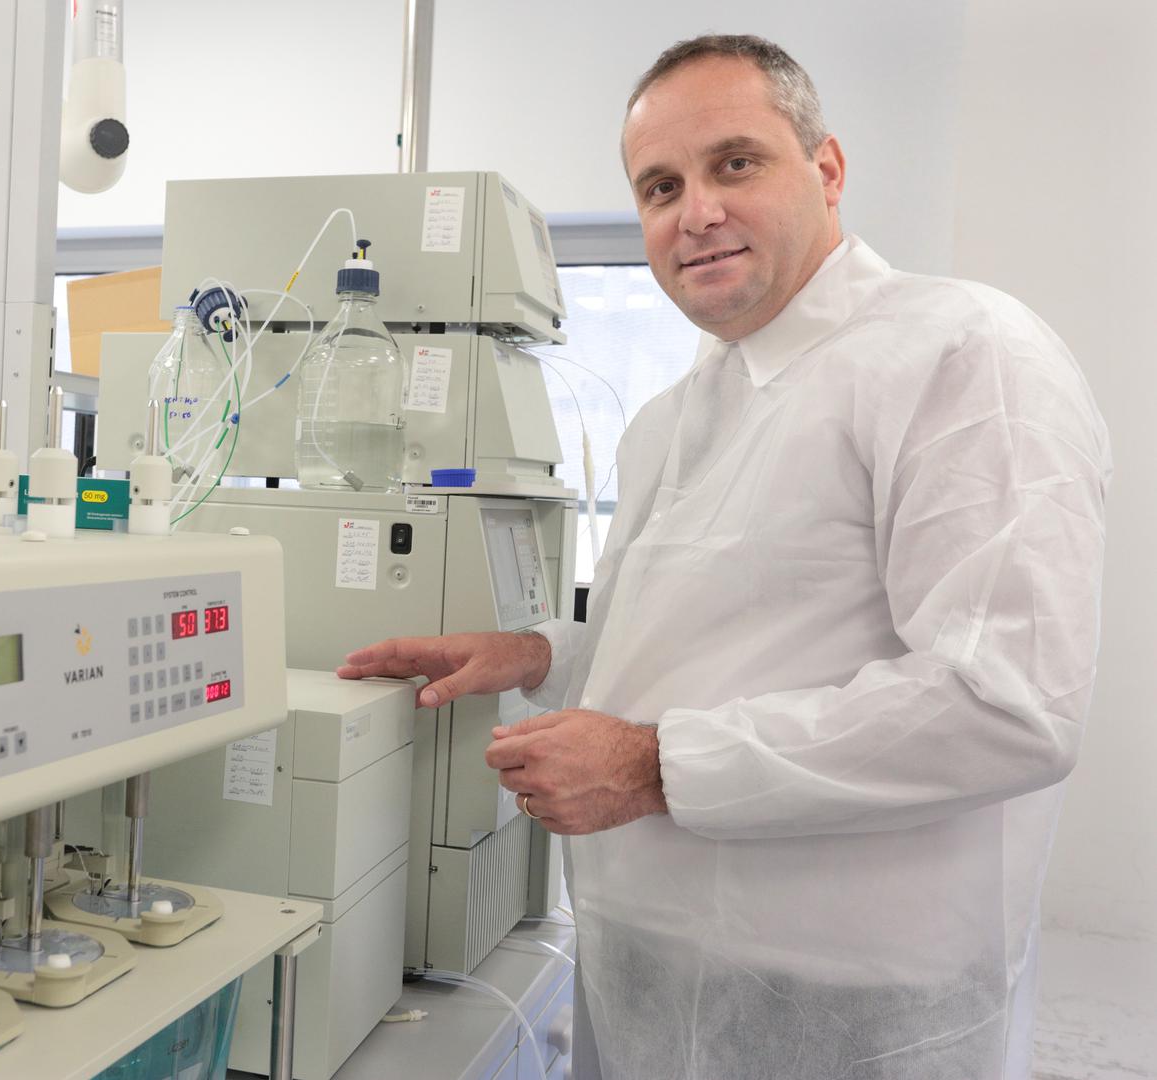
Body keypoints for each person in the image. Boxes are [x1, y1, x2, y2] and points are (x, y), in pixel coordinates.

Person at [337, 33, 1111, 1080]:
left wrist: (652, 766)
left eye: (733, 164)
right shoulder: (677, 413)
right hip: (644, 967)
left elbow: (1005, 702)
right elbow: (702, 643)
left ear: (826, 169)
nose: (693, 212)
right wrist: (537, 654)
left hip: (845, 1001)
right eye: (659, 187)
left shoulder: (959, 352)